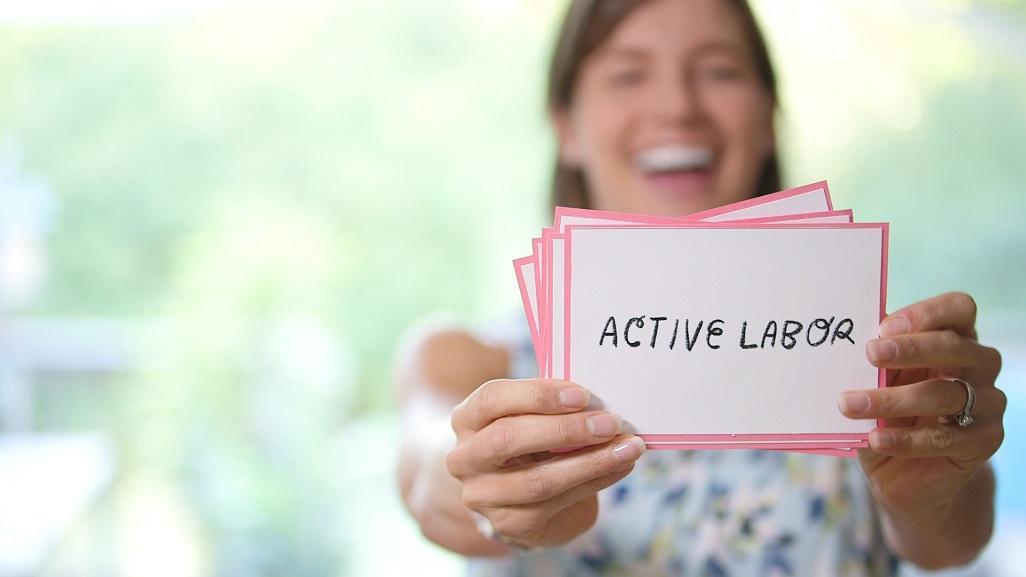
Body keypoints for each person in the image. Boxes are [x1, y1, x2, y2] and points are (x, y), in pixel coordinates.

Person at [394, 0, 1006, 574]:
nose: (678, 106)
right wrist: (480, 486)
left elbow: (951, 541)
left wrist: (933, 487)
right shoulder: (470, 359)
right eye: (628, 75)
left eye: (718, 70)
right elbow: (431, 475)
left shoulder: (869, 359)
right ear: (567, 127)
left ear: (768, 116)